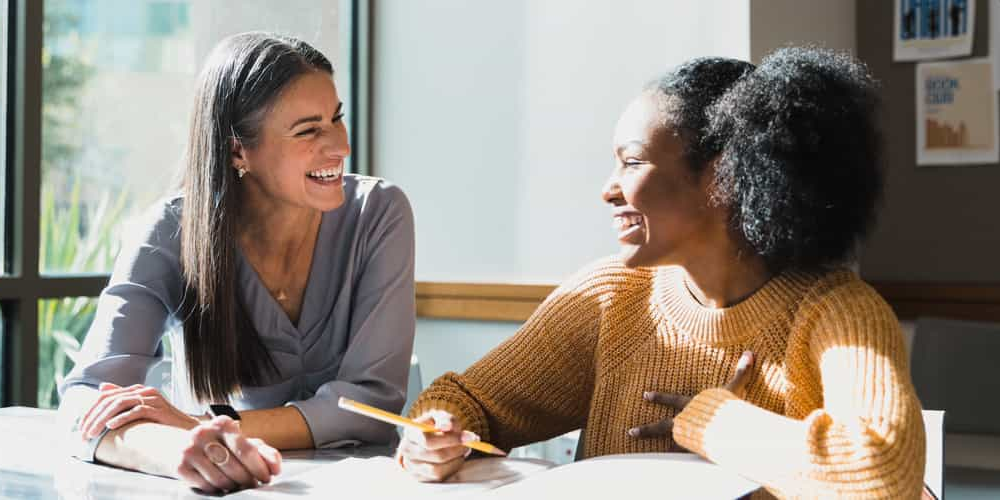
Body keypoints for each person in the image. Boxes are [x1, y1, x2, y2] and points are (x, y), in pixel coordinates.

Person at [397, 47, 926, 499]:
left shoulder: (837, 311)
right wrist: (435, 435)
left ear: (722, 176)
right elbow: (469, 401)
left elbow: (882, 475)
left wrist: (712, 420)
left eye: (631, 162)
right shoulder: (608, 297)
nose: (608, 189)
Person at [57, 32, 415, 494]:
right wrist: (181, 453)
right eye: (308, 130)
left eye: (336, 118)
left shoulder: (379, 212)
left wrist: (206, 426)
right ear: (238, 151)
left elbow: (370, 406)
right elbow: (86, 402)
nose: (340, 146)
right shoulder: (170, 232)